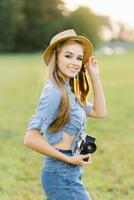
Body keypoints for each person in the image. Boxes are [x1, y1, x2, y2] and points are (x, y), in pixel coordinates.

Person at [24, 29, 106, 200]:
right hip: (60, 173)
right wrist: (68, 160)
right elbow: (31, 138)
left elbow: (100, 112)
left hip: (69, 172)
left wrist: (95, 76)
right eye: (68, 56)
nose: (75, 62)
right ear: (56, 58)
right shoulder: (54, 92)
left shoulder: (69, 92)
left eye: (78, 58)